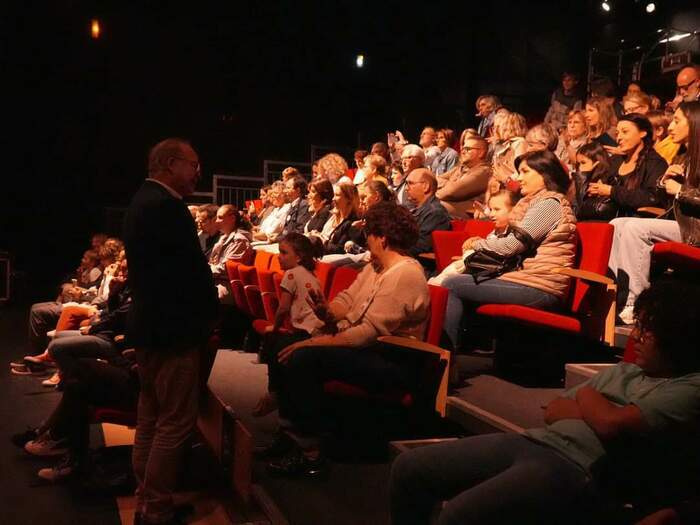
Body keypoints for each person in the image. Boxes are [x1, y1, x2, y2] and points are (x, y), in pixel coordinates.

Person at [390, 280, 700, 525]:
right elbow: (553, 411)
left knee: (458, 515)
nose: (635, 336)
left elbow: (610, 424)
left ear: (676, 336)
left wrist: (587, 396)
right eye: (637, 326)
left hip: (578, 467)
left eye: (646, 330)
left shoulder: (690, 386)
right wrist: (599, 408)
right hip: (536, 441)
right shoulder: (626, 370)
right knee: (409, 468)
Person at [265, 202, 430, 477]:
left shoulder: (406, 274)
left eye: (369, 234)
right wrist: (327, 312)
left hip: (392, 359)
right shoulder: (375, 267)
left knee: (304, 355)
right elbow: (347, 300)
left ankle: (311, 454)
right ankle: (290, 433)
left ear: (382, 238)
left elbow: (367, 333)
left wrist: (311, 342)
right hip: (367, 350)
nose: (366, 239)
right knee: (280, 343)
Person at [123, 138, 218, 525]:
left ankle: (146, 498)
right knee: (175, 421)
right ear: (169, 163)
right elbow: (189, 275)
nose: (198, 171)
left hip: (149, 326)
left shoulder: (141, 201)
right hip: (173, 329)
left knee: (150, 418)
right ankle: (157, 509)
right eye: (193, 164)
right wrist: (211, 314)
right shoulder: (168, 207)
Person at [440, 150, 576, 349]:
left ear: (545, 173)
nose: (518, 177)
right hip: (525, 278)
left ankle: (443, 360)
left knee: (452, 284)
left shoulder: (550, 205)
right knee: (461, 276)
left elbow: (510, 246)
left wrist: (476, 243)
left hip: (541, 286)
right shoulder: (534, 204)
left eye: (524, 171)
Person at [608, 101, 700, 324]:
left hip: (694, 230)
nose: (670, 127)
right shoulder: (683, 156)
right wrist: (665, 181)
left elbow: (684, 196)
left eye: (677, 121)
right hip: (684, 224)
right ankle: (618, 296)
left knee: (634, 228)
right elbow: (666, 197)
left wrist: (681, 190)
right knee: (616, 224)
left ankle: (637, 303)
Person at [253, 233, 324, 417]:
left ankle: (273, 392)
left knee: (272, 339)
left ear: (299, 256)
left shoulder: (292, 274)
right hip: (318, 330)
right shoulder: (311, 274)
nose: (279, 256)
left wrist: (274, 327)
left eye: (284, 253)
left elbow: (283, 308)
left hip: (306, 332)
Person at [429, 190, 519, 286]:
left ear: (513, 210)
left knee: (449, 280)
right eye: (491, 210)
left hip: (496, 274)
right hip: (478, 268)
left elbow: (502, 253)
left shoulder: (515, 233)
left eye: (497, 209)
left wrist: (475, 250)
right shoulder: (496, 230)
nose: (492, 214)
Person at [587, 113, 668, 218]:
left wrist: (612, 191)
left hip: (636, 222)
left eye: (625, 132)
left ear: (643, 133)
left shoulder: (655, 163)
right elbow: (601, 185)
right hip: (607, 216)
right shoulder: (615, 160)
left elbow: (652, 198)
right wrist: (595, 190)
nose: (619, 138)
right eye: (617, 133)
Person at [436, 134, 492, 219]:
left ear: (481, 153)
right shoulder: (460, 168)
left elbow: (451, 192)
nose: (462, 151)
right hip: (449, 207)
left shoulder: (484, 172)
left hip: (468, 215)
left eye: (468, 149)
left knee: (432, 206)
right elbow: (435, 179)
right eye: (462, 148)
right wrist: (451, 183)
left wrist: (428, 195)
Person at [209, 204, 254, 302]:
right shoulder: (223, 238)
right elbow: (213, 262)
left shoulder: (239, 240)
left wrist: (203, 271)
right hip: (217, 281)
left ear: (232, 218)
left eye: (220, 218)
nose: (216, 221)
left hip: (228, 286)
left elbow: (226, 269)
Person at [405, 168, 451, 259]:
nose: (406, 188)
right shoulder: (415, 209)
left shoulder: (435, 213)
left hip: (421, 267)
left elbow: (421, 246)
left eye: (410, 183)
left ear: (426, 186)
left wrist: (392, 245)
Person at [574, 141, 613, 220]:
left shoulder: (607, 181)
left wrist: (582, 177)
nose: (580, 168)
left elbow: (579, 211)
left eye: (583, 163)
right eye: (578, 164)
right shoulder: (579, 179)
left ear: (597, 163)